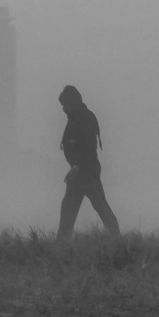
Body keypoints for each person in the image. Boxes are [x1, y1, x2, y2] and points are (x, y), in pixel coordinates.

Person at [55, 84, 121, 239]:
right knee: (69, 210)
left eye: (65, 105)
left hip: (87, 172)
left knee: (101, 207)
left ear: (73, 103)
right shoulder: (76, 117)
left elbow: (89, 146)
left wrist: (77, 166)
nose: (63, 109)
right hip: (78, 173)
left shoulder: (85, 118)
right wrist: (75, 167)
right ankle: (61, 245)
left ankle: (118, 239)